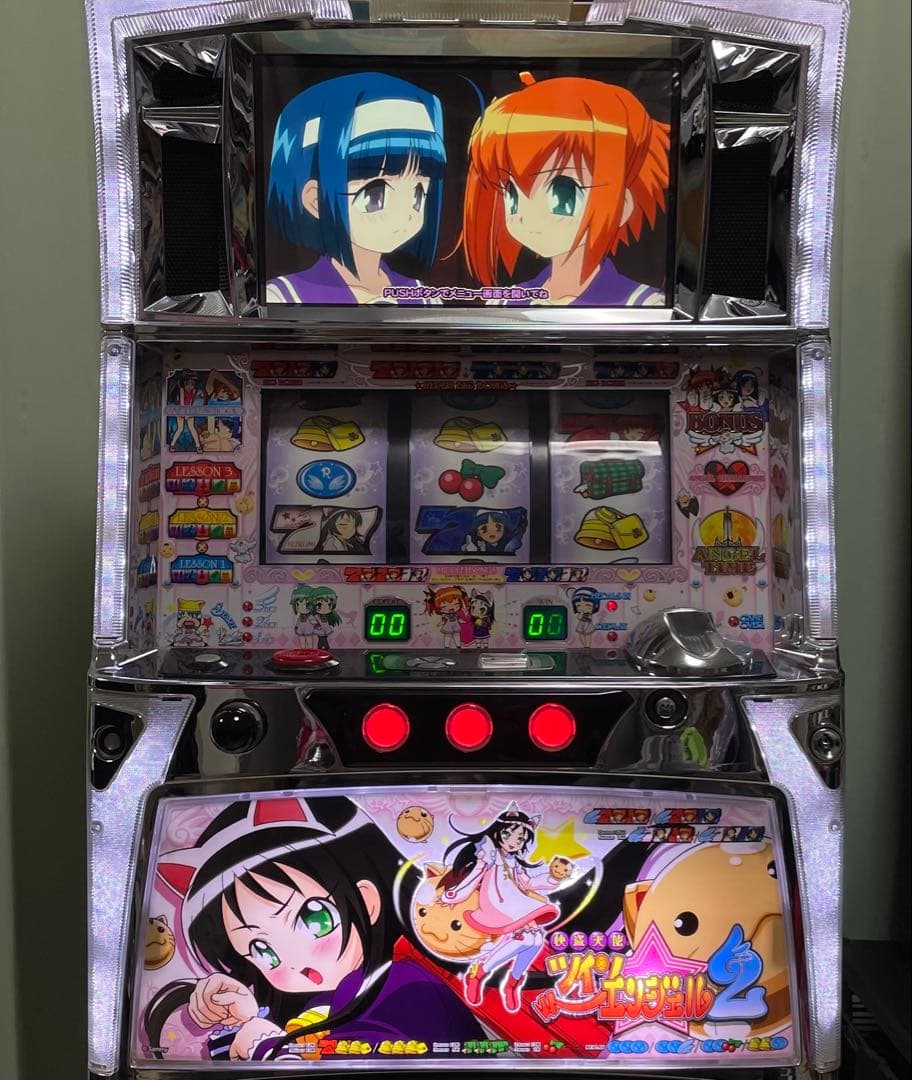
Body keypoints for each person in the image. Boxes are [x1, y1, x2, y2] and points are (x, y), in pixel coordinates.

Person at [143, 796, 481, 1062]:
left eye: (313, 919)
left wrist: (266, 1046)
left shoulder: (401, 982)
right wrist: (248, 1016)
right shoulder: (327, 1002)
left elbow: (366, 1056)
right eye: (263, 951)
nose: (295, 963)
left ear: (368, 901)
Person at [462, 73, 669, 307]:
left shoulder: (644, 304)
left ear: (623, 206)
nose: (527, 217)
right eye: (512, 195)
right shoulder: (506, 302)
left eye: (563, 195)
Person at [266, 73, 446, 305]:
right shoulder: (283, 296)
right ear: (316, 200)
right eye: (375, 196)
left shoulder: (424, 297)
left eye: (418, 195)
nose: (406, 214)